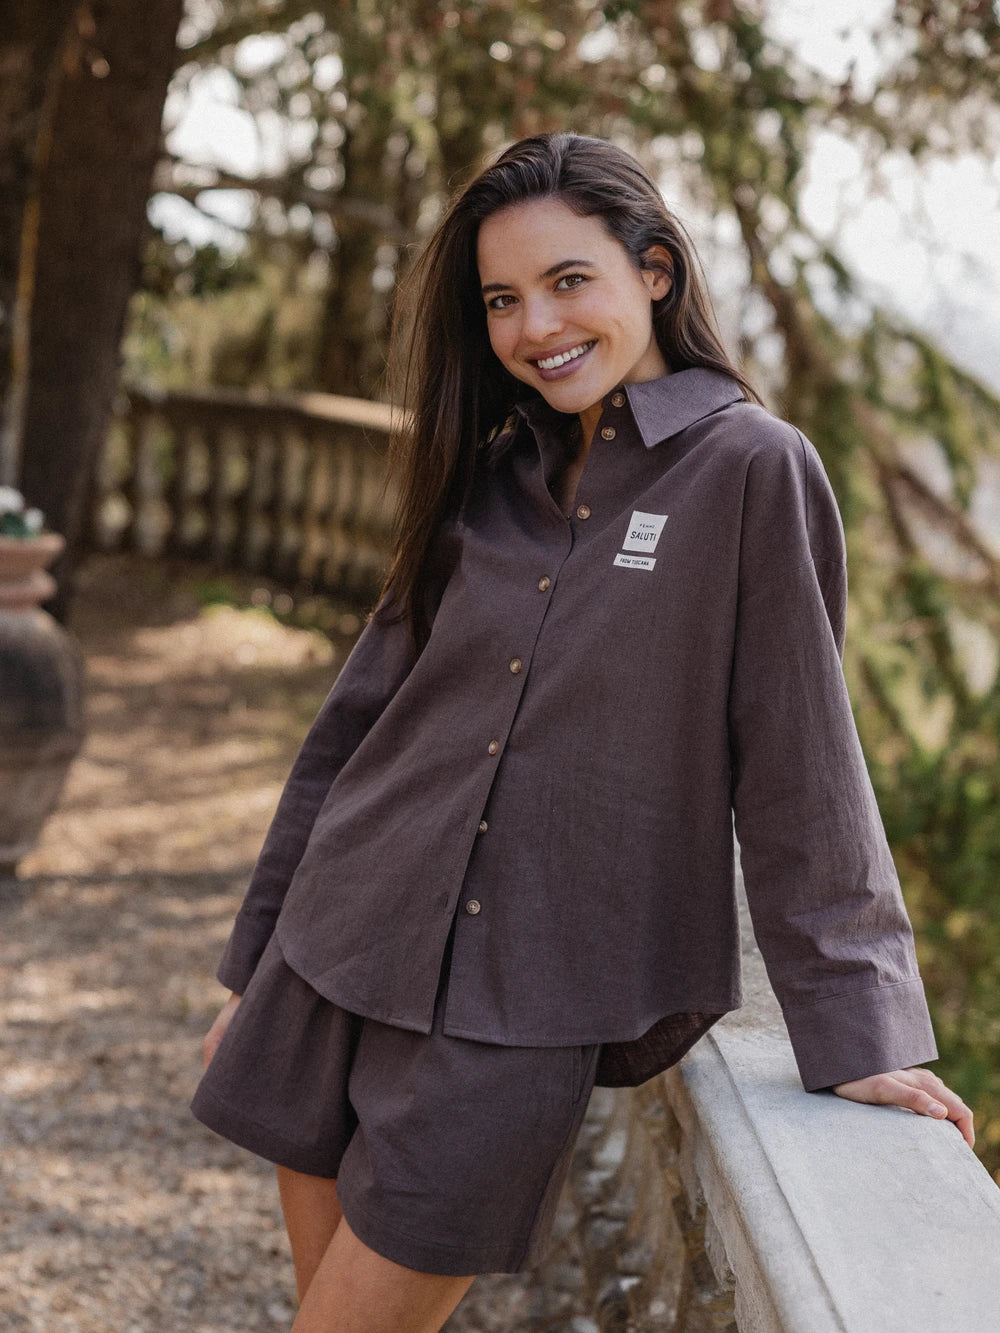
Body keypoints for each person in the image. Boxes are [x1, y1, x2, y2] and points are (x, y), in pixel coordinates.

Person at [192, 132, 975, 1333]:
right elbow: (359, 723)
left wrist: (854, 1027)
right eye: (502, 299)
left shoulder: (752, 470)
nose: (534, 326)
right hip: (341, 942)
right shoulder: (487, 473)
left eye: (568, 281)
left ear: (653, 270)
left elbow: (800, 760)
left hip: (530, 997)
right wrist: (259, 963)